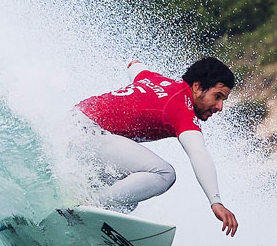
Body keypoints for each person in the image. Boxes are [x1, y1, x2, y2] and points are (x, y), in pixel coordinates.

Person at [72, 56, 239, 236]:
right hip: (89, 132)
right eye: (217, 96)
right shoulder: (182, 110)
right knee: (164, 174)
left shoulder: (157, 81)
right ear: (197, 87)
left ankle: (81, 209)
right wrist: (216, 201)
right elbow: (198, 153)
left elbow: (135, 68)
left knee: (130, 196)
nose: (220, 106)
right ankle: (86, 206)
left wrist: (133, 63)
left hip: (75, 126)